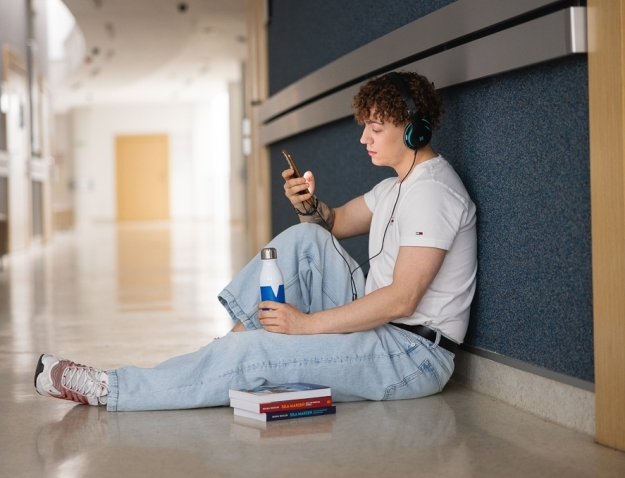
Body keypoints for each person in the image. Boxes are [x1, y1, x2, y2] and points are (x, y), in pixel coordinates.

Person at [34, 71, 477, 411]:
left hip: (410, 355)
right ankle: (227, 351)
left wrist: (305, 325)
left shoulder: (432, 192)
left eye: (376, 128)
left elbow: (402, 299)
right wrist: (307, 203)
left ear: (413, 129)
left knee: (259, 353)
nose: (363, 138)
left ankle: (112, 389)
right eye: (364, 126)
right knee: (307, 240)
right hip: (381, 329)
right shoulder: (396, 186)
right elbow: (334, 222)